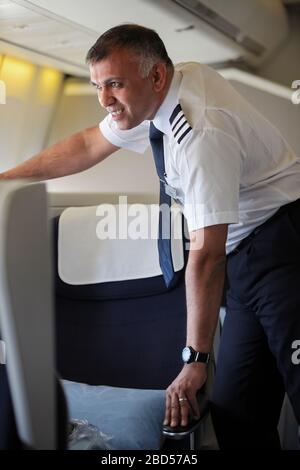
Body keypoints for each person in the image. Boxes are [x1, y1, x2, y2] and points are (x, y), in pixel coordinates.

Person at [1, 24, 299, 449]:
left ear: (156, 76)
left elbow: (206, 255)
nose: (105, 99)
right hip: (246, 257)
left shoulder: (200, 130)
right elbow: (87, 145)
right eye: (97, 86)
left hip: (284, 249)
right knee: (238, 414)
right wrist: (3, 179)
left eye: (115, 84)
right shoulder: (158, 98)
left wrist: (194, 361)